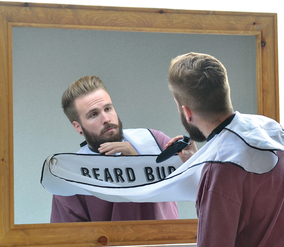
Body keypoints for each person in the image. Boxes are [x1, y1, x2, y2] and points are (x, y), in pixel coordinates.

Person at [167, 52, 284, 246]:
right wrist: (199, 163)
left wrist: (210, 172)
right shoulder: (272, 129)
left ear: (186, 111)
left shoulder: (220, 170)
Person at [50, 75, 179, 222]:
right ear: (78, 127)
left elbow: (198, 185)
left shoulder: (154, 141)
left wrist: (139, 163)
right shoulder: (72, 175)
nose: (106, 119)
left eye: (108, 108)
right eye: (94, 114)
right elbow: (69, 239)